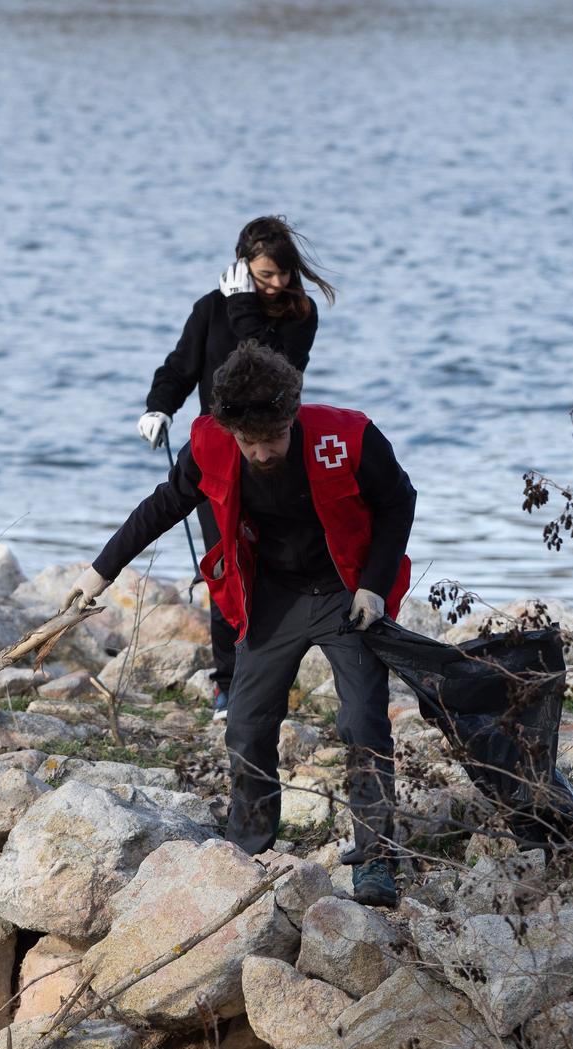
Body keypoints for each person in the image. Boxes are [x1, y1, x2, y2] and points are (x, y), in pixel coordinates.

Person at [77, 341, 415, 907]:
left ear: (293, 413)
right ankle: (251, 846)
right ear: (228, 426)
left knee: (362, 721)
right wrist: (99, 572)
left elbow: (399, 501)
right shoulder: (210, 440)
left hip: (343, 589)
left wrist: (374, 587)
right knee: (246, 724)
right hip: (271, 597)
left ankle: (376, 857)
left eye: (273, 438)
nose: (261, 453)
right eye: (248, 442)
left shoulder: (349, 435)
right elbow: (165, 505)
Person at [137, 217, 333, 719]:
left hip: (272, 458)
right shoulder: (210, 308)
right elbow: (180, 367)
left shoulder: (300, 313)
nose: (279, 284)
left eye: (285, 273)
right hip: (218, 456)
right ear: (243, 266)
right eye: (266, 274)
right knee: (225, 563)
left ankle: (270, 670)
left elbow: (270, 374)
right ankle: (229, 681)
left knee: (270, 560)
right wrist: (159, 406)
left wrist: (245, 305)